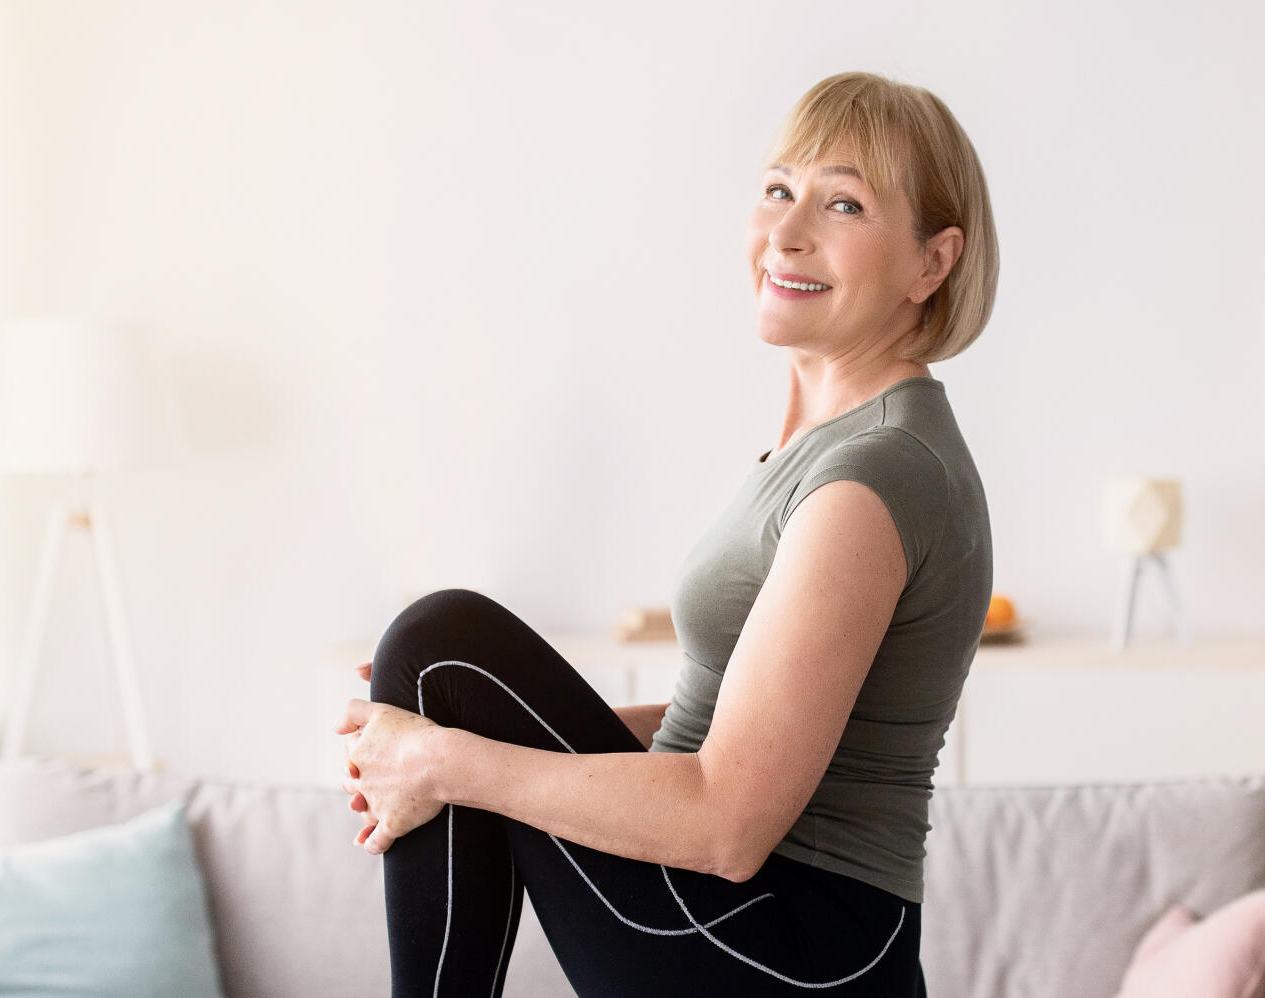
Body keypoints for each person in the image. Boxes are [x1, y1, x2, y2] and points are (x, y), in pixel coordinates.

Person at [334, 69, 997, 997]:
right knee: (446, 673)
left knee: (442, 646)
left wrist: (441, 761)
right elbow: (748, 723)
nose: (788, 230)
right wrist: (482, 723)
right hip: (788, 930)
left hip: (787, 942)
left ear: (933, 263)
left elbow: (726, 821)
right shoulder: (841, 448)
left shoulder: (872, 479)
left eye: (842, 202)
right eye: (778, 189)